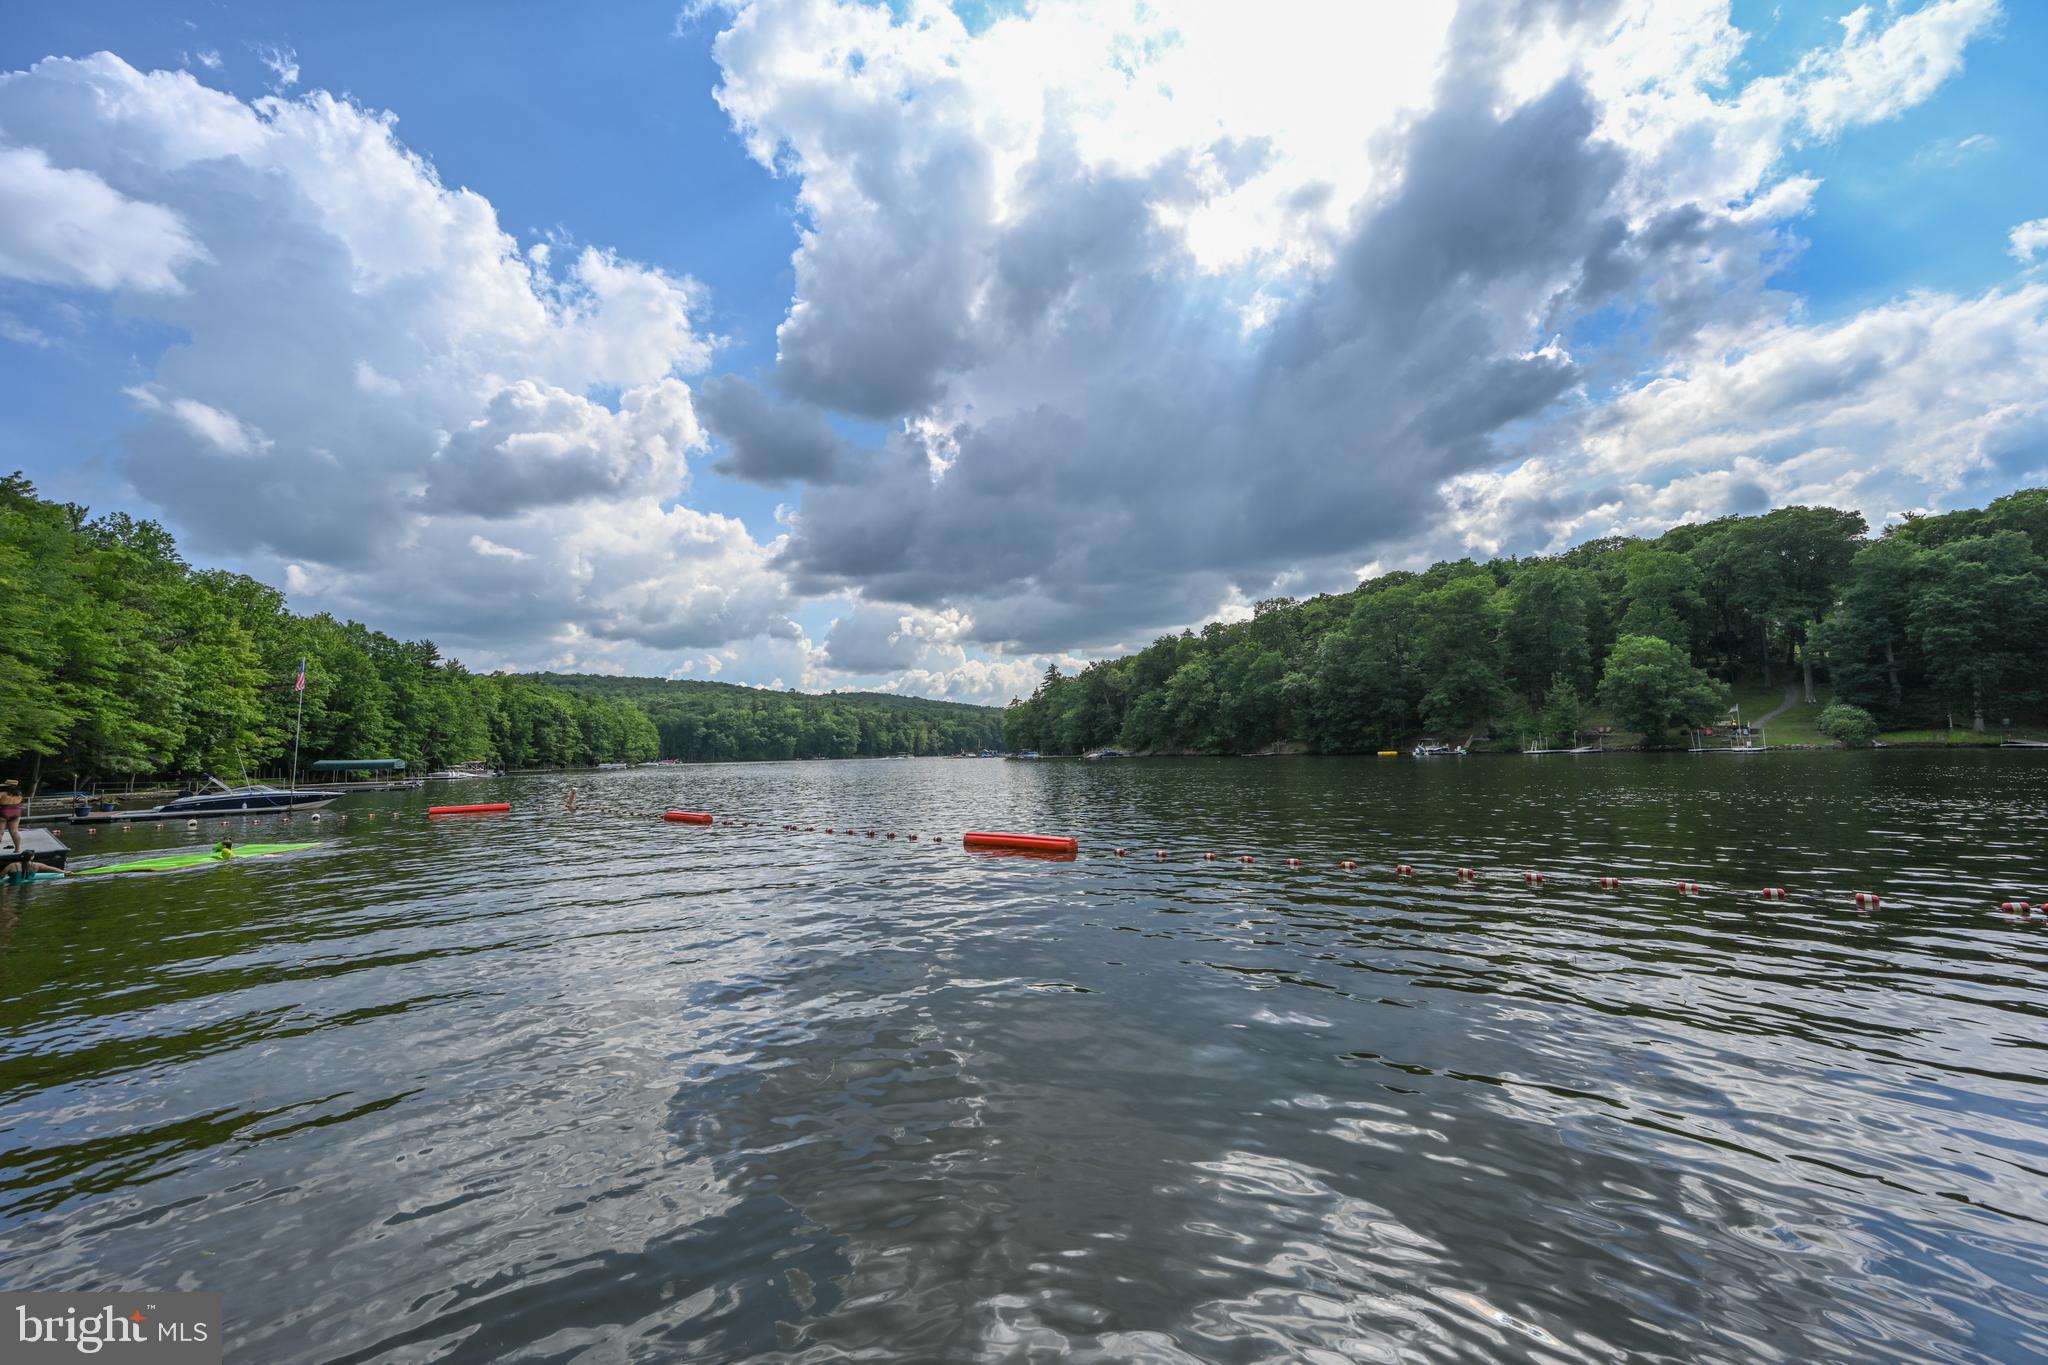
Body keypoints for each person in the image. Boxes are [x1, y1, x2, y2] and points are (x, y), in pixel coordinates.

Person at [0, 781, 23, 853]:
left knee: (0, 832)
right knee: (14, 831)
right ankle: (17, 849)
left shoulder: (2, 794)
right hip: (16, 812)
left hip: (3, 811)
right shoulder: (19, 794)